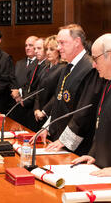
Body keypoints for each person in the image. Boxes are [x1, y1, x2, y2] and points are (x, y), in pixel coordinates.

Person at [31, 24, 103, 155]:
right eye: (58, 43)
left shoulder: (90, 68)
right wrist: (46, 127)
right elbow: (58, 102)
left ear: (77, 42)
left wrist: (64, 141)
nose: (58, 48)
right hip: (59, 140)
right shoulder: (67, 67)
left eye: (62, 43)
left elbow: (85, 111)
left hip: (77, 145)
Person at [72, 34, 111, 176]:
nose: (93, 65)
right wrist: (95, 155)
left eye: (95, 59)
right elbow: (103, 125)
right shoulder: (107, 82)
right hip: (101, 168)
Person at [33, 35, 66, 129]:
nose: (47, 52)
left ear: (58, 50)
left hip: (51, 115)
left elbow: (58, 94)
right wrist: (36, 109)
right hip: (39, 114)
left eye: (51, 49)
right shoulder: (45, 67)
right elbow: (38, 91)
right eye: (46, 49)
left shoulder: (63, 68)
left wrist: (44, 111)